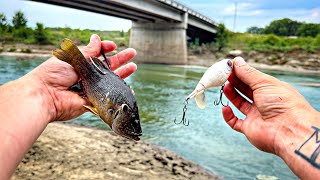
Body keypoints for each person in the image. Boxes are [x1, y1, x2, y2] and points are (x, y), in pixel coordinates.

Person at [0, 34, 318, 179]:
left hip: (95, 89)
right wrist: (42, 89)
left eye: (134, 127)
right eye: (133, 126)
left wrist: (39, 93)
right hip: (96, 87)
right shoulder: (114, 108)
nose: (134, 132)